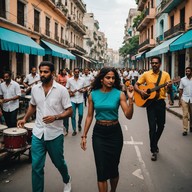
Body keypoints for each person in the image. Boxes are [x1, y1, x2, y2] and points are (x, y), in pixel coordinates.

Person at [17, 61, 73, 192]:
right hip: (38, 133)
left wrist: (55, 117)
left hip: (55, 134)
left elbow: (69, 111)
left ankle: (67, 179)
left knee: (59, 163)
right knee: (36, 166)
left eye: (45, 72)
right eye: (41, 71)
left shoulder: (61, 90)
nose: (42, 74)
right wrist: (24, 118)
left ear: (52, 73)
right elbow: (32, 105)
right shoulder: (35, 89)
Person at [81, 67, 134, 192]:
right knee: (101, 169)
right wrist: (84, 136)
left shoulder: (119, 94)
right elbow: (89, 117)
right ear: (101, 79)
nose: (111, 80)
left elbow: (128, 115)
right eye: (108, 77)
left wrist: (130, 99)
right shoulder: (92, 95)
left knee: (113, 169)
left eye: (113, 78)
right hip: (99, 133)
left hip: (115, 133)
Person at [134, 56, 171, 161]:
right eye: (152, 63)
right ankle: (153, 150)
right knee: (152, 127)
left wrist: (168, 86)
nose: (154, 64)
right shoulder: (146, 74)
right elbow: (136, 84)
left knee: (161, 126)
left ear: (160, 64)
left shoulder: (165, 75)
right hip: (150, 104)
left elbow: (168, 90)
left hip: (160, 103)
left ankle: (154, 142)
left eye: (156, 63)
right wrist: (141, 91)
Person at [66, 68, 86, 136]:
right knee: (73, 115)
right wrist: (70, 92)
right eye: (75, 72)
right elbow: (67, 88)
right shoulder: (69, 80)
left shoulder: (82, 80)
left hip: (80, 99)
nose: (76, 73)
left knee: (81, 114)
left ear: (79, 73)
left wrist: (83, 90)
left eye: (78, 72)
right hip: (73, 100)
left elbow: (85, 88)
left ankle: (79, 124)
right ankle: (74, 130)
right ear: (73, 72)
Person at [178, 67, 192, 136]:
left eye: (188, 71)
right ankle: (185, 129)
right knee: (185, 115)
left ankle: (191, 126)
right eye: (186, 71)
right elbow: (180, 90)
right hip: (184, 99)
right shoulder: (183, 80)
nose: (187, 72)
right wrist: (179, 100)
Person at [56, 68, 70, 136]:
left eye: (65, 71)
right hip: (59, 94)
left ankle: (66, 129)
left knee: (66, 112)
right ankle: (60, 128)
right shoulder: (58, 77)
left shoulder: (68, 77)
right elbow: (56, 84)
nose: (64, 72)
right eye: (63, 71)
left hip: (66, 94)